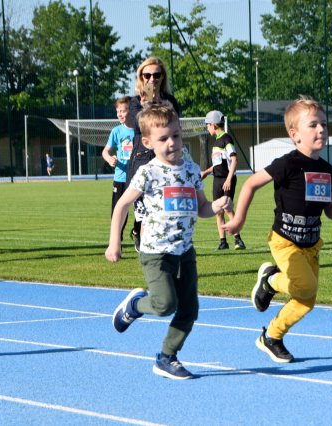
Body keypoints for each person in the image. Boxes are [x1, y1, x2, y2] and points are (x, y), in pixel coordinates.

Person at [106, 105, 231, 380]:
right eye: (163, 139)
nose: (171, 143)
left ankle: (167, 357)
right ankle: (135, 306)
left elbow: (202, 208)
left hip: (185, 251)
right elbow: (122, 206)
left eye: (175, 135)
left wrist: (218, 205)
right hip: (156, 253)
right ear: (148, 142)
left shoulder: (191, 170)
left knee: (190, 309)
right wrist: (114, 243)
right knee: (164, 305)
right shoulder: (147, 173)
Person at [223, 96, 332, 363]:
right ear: (295, 135)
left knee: (306, 300)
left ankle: (271, 337)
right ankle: (270, 280)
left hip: (311, 245)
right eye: (313, 125)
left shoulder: (326, 169)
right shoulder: (287, 163)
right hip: (284, 242)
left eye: (324, 124)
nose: (321, 130)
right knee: (306, 285)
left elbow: (328, 210)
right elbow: (250, 184)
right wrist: (239, 220)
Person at [125, 57, 181, 252]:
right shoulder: (135, 102)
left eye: (156, 75)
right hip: (143, 161)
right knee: (144, 214)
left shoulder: (170, 101)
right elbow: (138, 127)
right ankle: (146, 250)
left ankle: (165, 250)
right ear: (141, 77)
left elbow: (174, 125)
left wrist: (161, 104)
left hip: (166, 162)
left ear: (162, 77)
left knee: (164, 212)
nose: (151, 79)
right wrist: (146, 106)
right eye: (146, 75)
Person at [200, 110, 246, 250]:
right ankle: (223, 242)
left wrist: (228, 179)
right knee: (217, 211)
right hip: (217, 180)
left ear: (213, 125)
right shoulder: (216, 143)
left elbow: (234, 159)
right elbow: (217, 165)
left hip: (227, 180)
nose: (207, 128)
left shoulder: (226, 139)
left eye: (207, 125)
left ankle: (238, 240)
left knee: (227, 208)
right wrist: (206, 172)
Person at [102, 96, 133, 241]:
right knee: (119, 210)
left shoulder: (139, 130)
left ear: (131, 110)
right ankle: (117, 239)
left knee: (143, 210)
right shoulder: (116, 131)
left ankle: (137, 233)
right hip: (121, 177)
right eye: (118, 111)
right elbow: (105, 151)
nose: (120, 114)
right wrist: (109, 159)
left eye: (123, 111)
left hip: (137, 177)